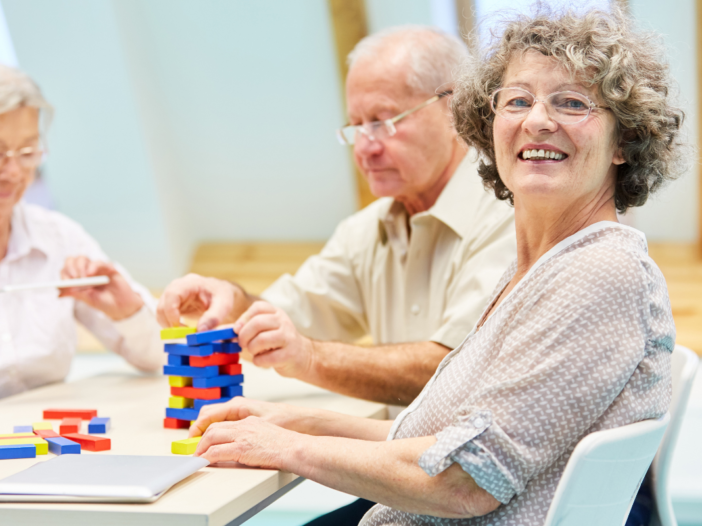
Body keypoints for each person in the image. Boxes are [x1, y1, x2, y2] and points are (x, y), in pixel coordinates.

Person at [187, 7, 680, 525]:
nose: (537, 120)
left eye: (572, 102)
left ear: (624, 141)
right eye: (517, 101)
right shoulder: (536, 271)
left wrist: (289, 449)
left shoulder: (599, 274)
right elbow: (438, 439)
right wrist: (295, 422)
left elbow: (464, 482)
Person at [157, 26, 517, 407]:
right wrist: (232, 302)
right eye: (356, 127)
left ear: (455, 107)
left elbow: (456, 370)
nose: (364, 147)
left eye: (383, 121)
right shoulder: (367, 229)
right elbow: (289, 316)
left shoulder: (510, 214)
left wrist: (309, 357)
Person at [0, 65, 163, 398]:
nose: (14, 171)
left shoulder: (59, 239)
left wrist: (126, 310)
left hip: (41, 439)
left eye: (28, 152)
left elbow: (159, 358)